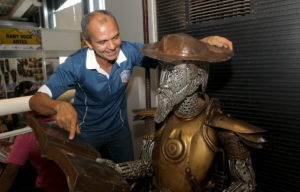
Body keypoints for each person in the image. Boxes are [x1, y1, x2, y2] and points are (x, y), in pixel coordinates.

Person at [29, 10, 233, 163]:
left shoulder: (129, 51)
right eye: (102, 42)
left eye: (115, 37)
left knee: (128, 176)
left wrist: (204, 42)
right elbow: (36, 100)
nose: (111, 46)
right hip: (86, 133)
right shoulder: (74, 64)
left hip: (119, 130)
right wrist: (59, 106)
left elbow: (169, 52)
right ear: (87, 43)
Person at [111, 33, 265, 192]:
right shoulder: (156, 119)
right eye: (163, 70)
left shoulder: (222, 128)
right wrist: (116, 168)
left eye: (175, 72)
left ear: (198, 77)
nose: (164, 82)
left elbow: (245, 183)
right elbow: (147, 166)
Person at [0, 90, 68, 192]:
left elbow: (9, 175)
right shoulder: (64, 121)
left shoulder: (26, 135)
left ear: (29, 109)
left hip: (49, 188)